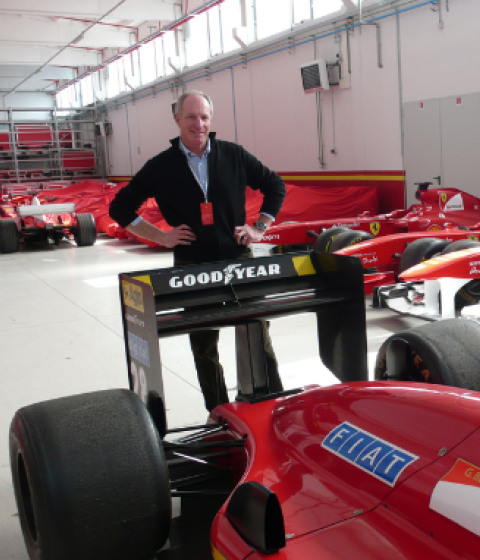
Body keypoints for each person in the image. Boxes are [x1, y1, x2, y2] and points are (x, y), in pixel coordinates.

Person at [109, 90, 286, 411]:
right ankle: (218, 411)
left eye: (204, 117)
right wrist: (160, 237)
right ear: (177, 119)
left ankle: (270, 403)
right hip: (192, 264)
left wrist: (259, 227)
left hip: (238, 259)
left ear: (211, 120)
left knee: (257, 330)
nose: (198, 124)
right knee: (204, 343)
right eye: (191, 116)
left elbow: (275, 185)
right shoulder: (161, 166)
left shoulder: (233, 155)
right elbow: (119, 207)